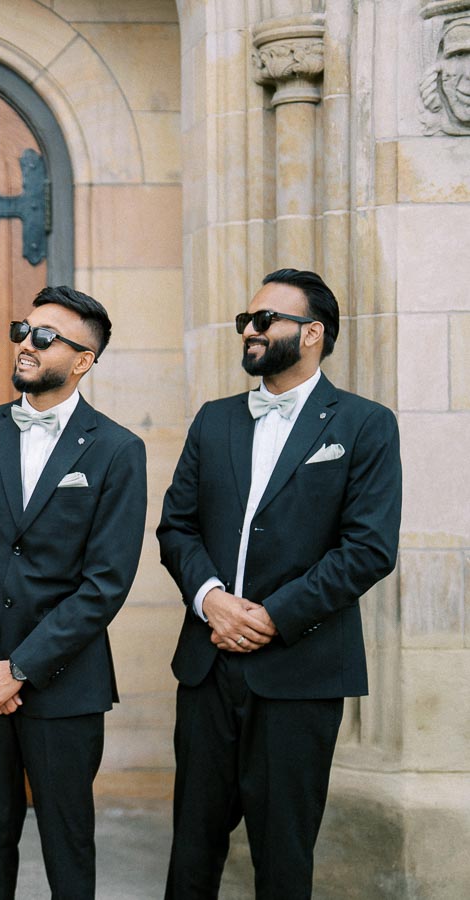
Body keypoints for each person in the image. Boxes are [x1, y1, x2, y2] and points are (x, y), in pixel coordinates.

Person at [158, 268, 402, 899]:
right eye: (247, 320)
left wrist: (271, 615)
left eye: (266, 320)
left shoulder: (365, 424)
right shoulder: (214, 421)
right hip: (208, 666)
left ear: (313, 334)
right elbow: (176, 528)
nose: (250, 330)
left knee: (284, 853)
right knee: (190, 848)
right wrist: (212, 601)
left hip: (301, 666)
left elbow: (369, 549)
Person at [0, 286, 146, 900]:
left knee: (68, 844)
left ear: (83, 359)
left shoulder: (117, 449)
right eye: (23, 329)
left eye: (45, 336)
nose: (27, 343)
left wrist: (19, 670)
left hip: (64, 684)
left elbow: (105, 585)